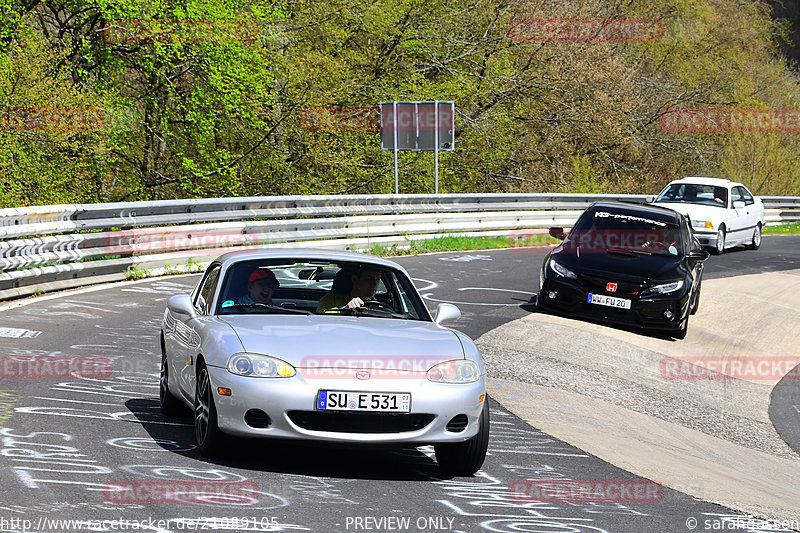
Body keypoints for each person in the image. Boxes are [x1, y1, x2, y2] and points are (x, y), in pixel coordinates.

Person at [316, 267, 381, 312]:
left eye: (377, 279)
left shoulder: (379, 306)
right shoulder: (330, 300)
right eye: (369, 279)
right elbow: (320, 319)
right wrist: (345, 310)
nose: (374, 284)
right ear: (355, 280)